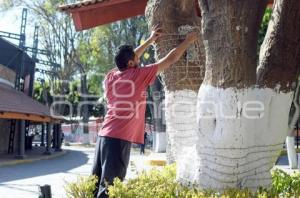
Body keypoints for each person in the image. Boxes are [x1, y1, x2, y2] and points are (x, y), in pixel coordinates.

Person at [91, 25, 199, 198]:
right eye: (135, 57)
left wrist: (149, 41)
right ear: (131, 63)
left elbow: (130, 59)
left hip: (103, 137)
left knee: (95, 187)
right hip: (119, 139)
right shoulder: (138, 75)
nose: (138, 57)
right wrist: (188, 41)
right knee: (109, 191)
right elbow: (170, 59)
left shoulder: (111, 77)